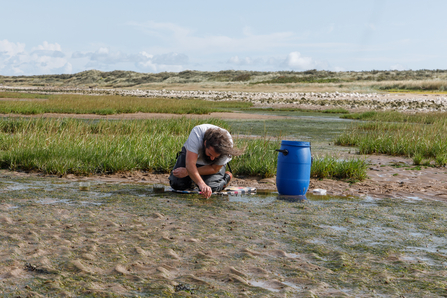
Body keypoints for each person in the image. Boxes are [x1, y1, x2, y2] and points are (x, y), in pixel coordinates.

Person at [169, 124, 244, 198]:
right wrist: (201, 183)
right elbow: (190, 164)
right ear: (205, 143)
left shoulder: (227, 145)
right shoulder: (197, 133)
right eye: (210, 154)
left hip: (212, 167)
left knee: (212, 188)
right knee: (177, 184)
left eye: (216, 156)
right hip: (192, 159)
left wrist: (187, 172)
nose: (212, 159)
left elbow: (215, 168)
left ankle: (226, 177)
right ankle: (193, 181)